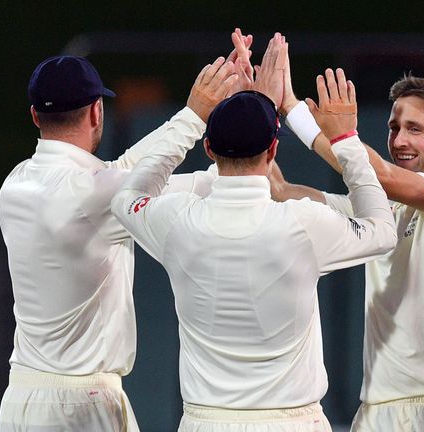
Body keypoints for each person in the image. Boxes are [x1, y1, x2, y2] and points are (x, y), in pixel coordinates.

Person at [110, 46, 397, 432]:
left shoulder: (175, 219)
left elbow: (128, 197)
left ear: (209, 148)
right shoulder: (305, 223)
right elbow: (381, 229)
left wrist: (194, 116)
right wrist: (344, 139)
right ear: (274, 149)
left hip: (205, 422)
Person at [0, 46, 241, 430]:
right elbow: (162, 182)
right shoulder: (89, 193)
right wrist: (208, 118)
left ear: (34, 115)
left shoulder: (16, 182)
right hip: (80, 405)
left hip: (20, 399)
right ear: (97, 111)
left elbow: (119, 173)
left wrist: (194, 115)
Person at [272, 70, 424, 431]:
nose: (400, 140)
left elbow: (381, 176)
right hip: (377, 408)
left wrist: (317, 121)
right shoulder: (381, 209)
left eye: (415, 129)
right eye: (394, 127)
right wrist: (270, 109)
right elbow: (282, 192)